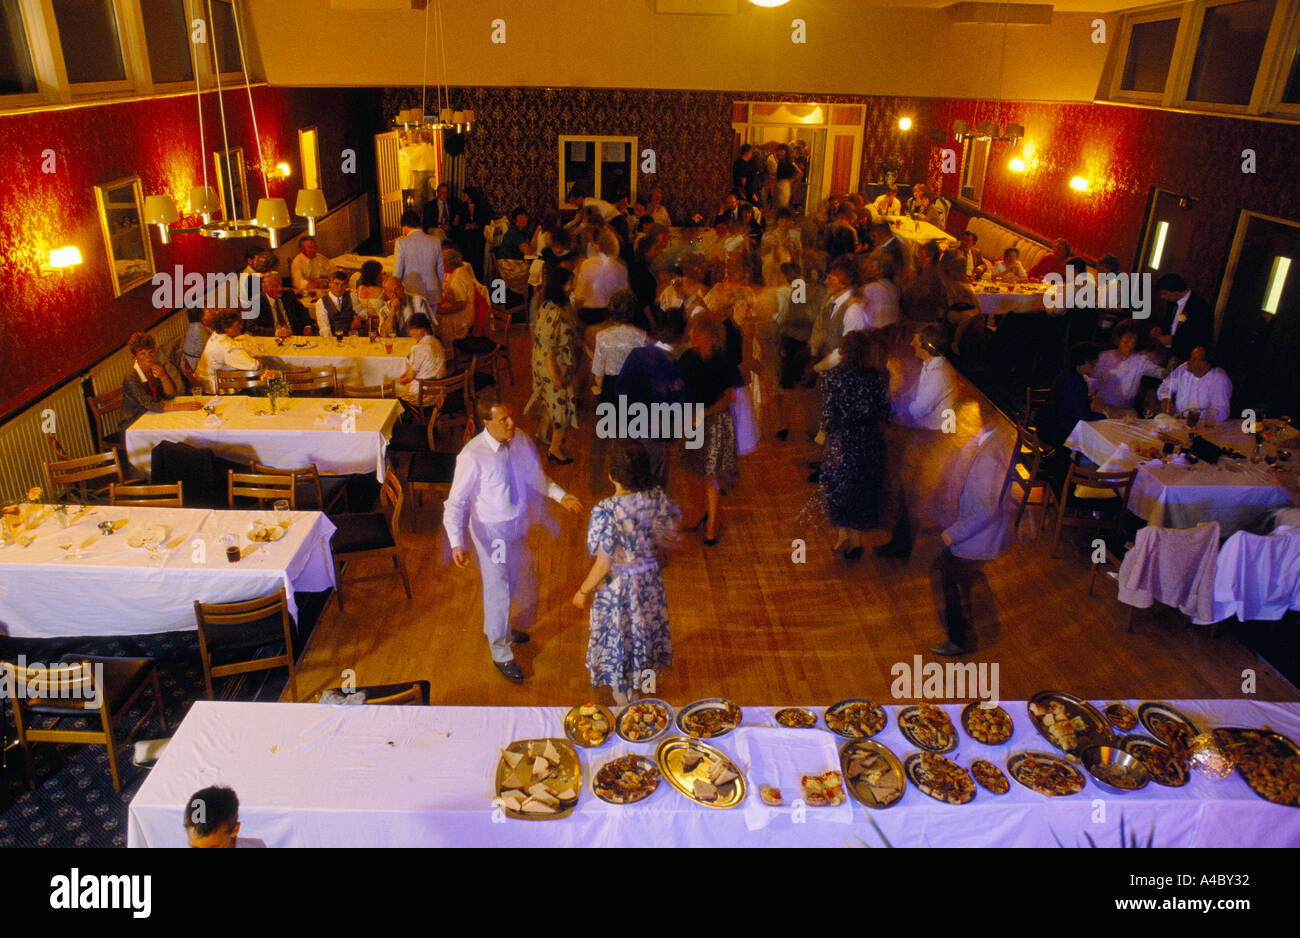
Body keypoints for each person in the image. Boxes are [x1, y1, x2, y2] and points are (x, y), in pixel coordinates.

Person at [444, 394, 583, 684]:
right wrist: (457, 541)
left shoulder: (518, 439)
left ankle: (499, 628)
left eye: (511, 416)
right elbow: (455, 503)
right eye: (503, 419)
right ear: (486, 423)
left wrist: (560, 495)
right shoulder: (471, 456)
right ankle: (501, 653)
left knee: (514, 580)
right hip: (490, 531)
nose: (511, 423)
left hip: (516, 525)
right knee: (499, 588)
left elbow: (534, 475)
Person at [572, 441, 680, 705]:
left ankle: (625, 703)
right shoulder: (655, 497)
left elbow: (603, 564)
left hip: (618, 588)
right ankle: (639, 689)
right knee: (642, 633)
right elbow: (668, 536)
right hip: (649, 582)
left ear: (612, 475)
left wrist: (583, 591)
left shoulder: (605, 511)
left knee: (620, 638)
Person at [929, 423, 1017, 656]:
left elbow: (987, 509)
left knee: (947, 573)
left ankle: (961, 640)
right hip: (981, 535)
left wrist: (954, 533)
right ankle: (968, 624)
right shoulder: (994, 443)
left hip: (976, 538)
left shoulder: (988, 456)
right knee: (951, 573)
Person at [815, 330, 890, 560]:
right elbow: (884, 411)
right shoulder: (878, 377)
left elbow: (829, 413)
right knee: (861, 489)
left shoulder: (833, 377)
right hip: (868, 440)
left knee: (838, 487)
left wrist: (823, 434)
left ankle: (842, 536)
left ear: (844, 351)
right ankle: (856, 540)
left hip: (842, 439)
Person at [678, 316, 740, 546]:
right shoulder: (687, 358)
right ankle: (697, 514)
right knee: (692, 472)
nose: (693, 337)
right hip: (691, 420)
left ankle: (712, 527)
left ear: (711, 336)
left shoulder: (722, 362)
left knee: (710, 476)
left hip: (715, 423)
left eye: (699, 333)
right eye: (692, 332)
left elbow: (728, 397)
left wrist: (703, 415)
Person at [614, 314, 688, 487]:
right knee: (654, 484)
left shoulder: (637, 354)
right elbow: (678, 405)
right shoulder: (672, 364)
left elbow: (619, 388)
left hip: (628, 428)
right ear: (681, 336)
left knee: (628, 480)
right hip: (654, 434)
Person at [527, 266, 581, 464]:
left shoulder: (548, 305)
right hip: (553, 366)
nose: (574, 284)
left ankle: (542, 434)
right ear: (563, 285)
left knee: (548, 401)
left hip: (543, 361)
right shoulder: (555, 312)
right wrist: (556, 376)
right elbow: (550, 347)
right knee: (562, 406)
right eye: (571, 281)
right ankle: (554, 450)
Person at [1037, 342, 1106, 453]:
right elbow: (1085, 416)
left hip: (1046, 421)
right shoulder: (1077, 382)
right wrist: (1105, 416)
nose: (1095, 364)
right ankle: (1076, 463)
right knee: (1100, 426)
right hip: (1057, 430)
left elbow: (1067, 400)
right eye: (1092, 361)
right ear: (1082, 360)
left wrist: (1085, 400)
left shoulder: (1066, 373)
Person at [120, 332, 201, 426]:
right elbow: (151, 405)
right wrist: (182, 406)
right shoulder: (131, 377)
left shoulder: (156, 367)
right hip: (134, 421)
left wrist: (164, 377)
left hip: (153, 415)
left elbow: (170, 395)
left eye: (150, 352)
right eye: (143, 354)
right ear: (134, 358)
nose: (148, 357)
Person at [1089, 319, 1164, 416]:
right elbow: (1092, 381)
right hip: (1102, 408)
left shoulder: (1141, 360)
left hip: (1125, 411)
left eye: (1134, 339)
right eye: (1128, 338)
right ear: (1118, 339)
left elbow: (1161, 373)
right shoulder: (1105, 356)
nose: (1131, 342)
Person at [591, 289, 648, 407]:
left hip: (611, 388)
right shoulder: (641, 335)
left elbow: (598, 371)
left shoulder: (602, 336)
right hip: (634, 387)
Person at [813, 255, 869, 371]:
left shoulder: (854, 310)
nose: (826, 282)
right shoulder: (830, 300)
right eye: (827, 277)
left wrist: (818, 367)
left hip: (843, 371)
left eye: (831, 279)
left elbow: (846, 351)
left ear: (845, 282)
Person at [1157, 345, 1233, 423]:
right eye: (1190, 358)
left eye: (1194, 359)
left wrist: (1195, 415)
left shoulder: (1219, 378)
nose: (1189, 362)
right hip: (1178, 422)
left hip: (1205, 426)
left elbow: (1221, 411)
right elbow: (1165, 387)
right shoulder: (1183, 369)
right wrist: (1166, 400)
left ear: (1206, 364)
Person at [1152, 273, 1213, 365]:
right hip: (1167, 353)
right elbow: (1167, 321)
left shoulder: (1200, 306)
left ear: (1176, 291)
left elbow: (1200, 336)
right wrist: (1160, 329)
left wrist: (1174, 340)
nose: (1162, 297)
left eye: (1164, 293)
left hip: (1186, 357)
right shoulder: (1172, 302)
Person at [196, 311, 262, 394]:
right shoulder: (228, 347)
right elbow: (254, 366)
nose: (241, 327)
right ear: (226, 329)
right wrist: (259, 361)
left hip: (205, 382)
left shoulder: (215, 335)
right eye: (237, 325)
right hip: (218, 389)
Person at [573, 228, 628, 326]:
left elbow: (579, 295)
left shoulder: (587, 264)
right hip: (610, 314)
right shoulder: (621, 268)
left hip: (589, 313)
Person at [393, 208, 445, 302]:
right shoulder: (435, 241)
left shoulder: (401, 242)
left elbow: (397, 272)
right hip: (432, 291)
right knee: (431, 316)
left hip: (411, 292)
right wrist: (439, 289)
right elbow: (440, 270)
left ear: (404, 226)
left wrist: (396, 293)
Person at [394, 313, 446, 404]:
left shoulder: (418, 348)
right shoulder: (436, 342)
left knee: (394, 391)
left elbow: (410, 377)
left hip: (422, 397)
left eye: (416, 329)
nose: (412, 333)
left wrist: (401, 380)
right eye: (411, 329)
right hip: (440, 393)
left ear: (425, 329)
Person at [248, 271, 309, 337]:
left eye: (281, 285)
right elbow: (251, 328)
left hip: (295, 336)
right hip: (271, 340)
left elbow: (304, 312)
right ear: (264, 288)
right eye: (275, 286)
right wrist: (277, 332)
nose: (280, 288)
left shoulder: (288, 295)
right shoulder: (255, 303)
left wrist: (307, 326)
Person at [436, 247, 477, 343]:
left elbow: (462, 304)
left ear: (448, 263)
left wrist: (442, 311)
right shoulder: (460, 270)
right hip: (465, 309)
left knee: (437, 320)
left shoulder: (457, 278)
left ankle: (450, 351)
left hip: (463, 315)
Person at [315, 270, 361, 337]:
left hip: (350, 337)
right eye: (336, 284)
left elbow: (363, 312)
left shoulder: (352, 298)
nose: (339, 288)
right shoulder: (321, 302)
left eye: (343, 284)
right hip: (332, 338)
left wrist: (358, 317)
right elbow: (324, 328)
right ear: (329, 284)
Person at [181, 306, 218, 386]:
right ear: (200, 316)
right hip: (194, 368)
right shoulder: (198, 329)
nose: (213, 312)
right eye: (208, 310)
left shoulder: (198, 326)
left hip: (198, 362)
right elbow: (212, 352)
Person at [353, 259, 386, 334]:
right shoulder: (382, 291)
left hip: (361, 326)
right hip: (376, 327)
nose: (382, 275)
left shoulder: (359, 288)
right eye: (380, 273)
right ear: (376, 275)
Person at [773, 145, 801, 209]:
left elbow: (799, 173)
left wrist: (791, 181)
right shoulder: (780, 162)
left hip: (784, 185)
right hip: (778, 184)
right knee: (776, 205)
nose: (779, 152)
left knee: (782, 205)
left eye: (781, 150)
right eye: (779, 151)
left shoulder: (790, 163)